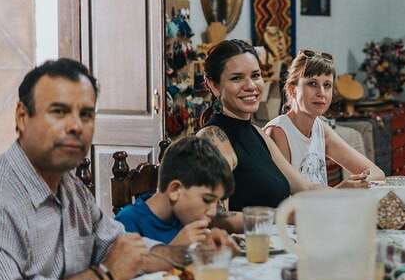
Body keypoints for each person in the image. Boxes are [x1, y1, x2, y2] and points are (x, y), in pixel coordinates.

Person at [0, 59, 226, 280]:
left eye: (86, 114)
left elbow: (117, 245)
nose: (75, 125)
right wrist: (104, 276)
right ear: (21, 117)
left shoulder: (71, 188)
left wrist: (190, 253)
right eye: (59, 111)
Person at [199, 39, 320, 213]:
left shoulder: (257, 132)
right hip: (245, 240)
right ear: (214, 86)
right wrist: (282, 217)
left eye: (255, 76)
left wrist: (347, 195)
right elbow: (216, 216)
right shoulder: (212, 138)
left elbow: (305, 188)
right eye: (237, 78)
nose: (250, 86)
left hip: (277, 237)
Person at [265, 49, 384, 188]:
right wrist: (341, 190)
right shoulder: (278, 132)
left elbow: (377, 174)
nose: (321, 93)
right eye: (312, 84)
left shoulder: (320, 128)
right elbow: (284, 196)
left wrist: (360, 181)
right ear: (292, 90)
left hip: (322, 207)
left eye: (327, 85)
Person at [115, 136, 235, 245]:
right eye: (207, 199)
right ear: (175, 190)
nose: (213, 212)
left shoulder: (184, 215)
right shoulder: (127, 223)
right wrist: (175, 249)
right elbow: (122, 267)